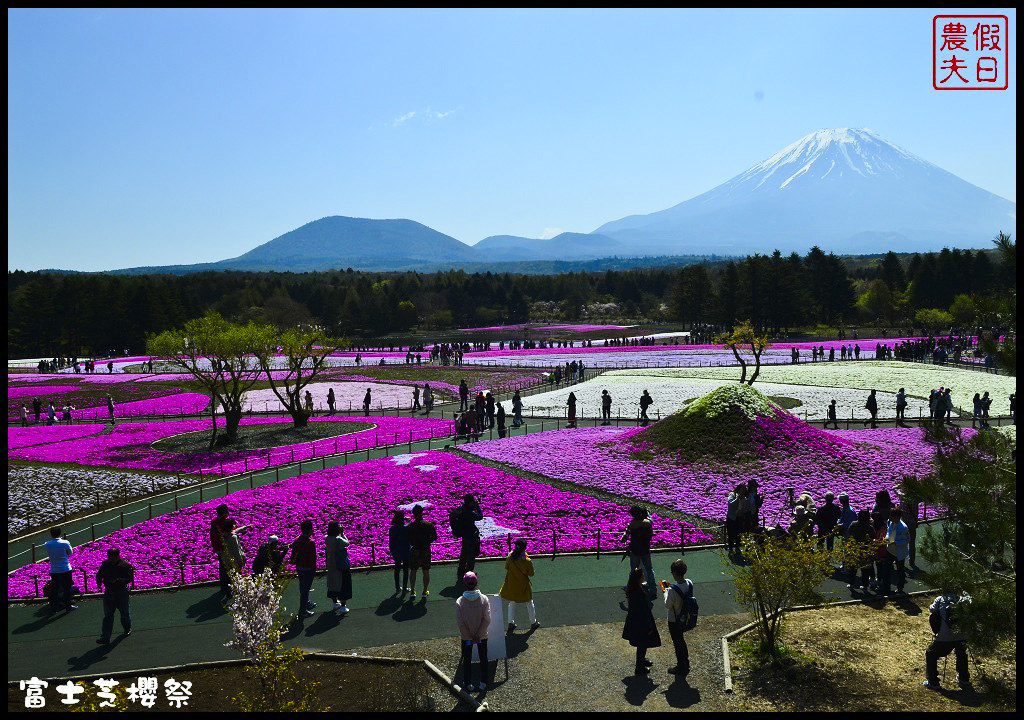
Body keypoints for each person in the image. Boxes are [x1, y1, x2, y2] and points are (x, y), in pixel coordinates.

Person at [923, 590, 972, 690]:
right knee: (961, 652)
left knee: (931, 653)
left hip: (944, 637)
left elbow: (932, 610)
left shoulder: (940, 599)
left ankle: (933, 681)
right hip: (962, 635)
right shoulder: (964, 599)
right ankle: (964, 678)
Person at [455, 571, 491, 692]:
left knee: (467, 658)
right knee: (483, 658)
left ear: (464, 584)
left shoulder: (460, 601)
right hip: (481, 637)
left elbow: (461, 624)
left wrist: (470, 636)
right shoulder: (484, 599)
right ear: (476, 583)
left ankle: (468, 682)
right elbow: (487, 619)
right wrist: (478, 635)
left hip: (467, 638)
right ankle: (484, 682)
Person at [622, 567, 661, 675]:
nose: (644, 576)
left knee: (642, 643)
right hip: (641, 621)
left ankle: (641, 661)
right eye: (642, 575)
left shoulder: (634, 588)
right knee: (642, 644)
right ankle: (639, 667)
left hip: (637, 620)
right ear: (639, 578)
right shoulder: (637, 592)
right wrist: (648, 624)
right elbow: (641, 610)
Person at [95, 548, 134, 644]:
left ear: (117, 556)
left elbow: (129, 578)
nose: (110, 560)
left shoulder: (125, 565)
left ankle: (127, 628)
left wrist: (118, 580)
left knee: (124, 613)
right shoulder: (105, 564)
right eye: (109, 557)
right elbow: (99, 574)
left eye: (112, 558)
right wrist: (99, 581)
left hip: (121, 592)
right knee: (108, 615)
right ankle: (105, 637)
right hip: (109, 592)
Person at [500, 539, 539, 633]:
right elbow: (531, 573)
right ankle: (533, 622)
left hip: (512, 583)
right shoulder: (527, 560)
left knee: (512, 603)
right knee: (529, 602)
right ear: (524, 548)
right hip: (523, 585)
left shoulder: (510, 557)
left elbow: (506, 567)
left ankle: (510, 623)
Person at [663, 558, 693, 677]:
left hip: (674, 620)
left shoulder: (672, 590)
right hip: (686, 617)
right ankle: (685, 662)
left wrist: (665, 591)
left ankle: (681, 666)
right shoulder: (689, 583)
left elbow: (667, 605)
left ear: (675, 573)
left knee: (678, 643)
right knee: (681, 641)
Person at [622, 506, 657, 600]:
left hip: (635, 550)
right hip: (645, 549)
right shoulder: (648, 522)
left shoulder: (632, 524)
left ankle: (632, 589)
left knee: (634, 570)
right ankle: (653, 590)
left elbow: (624, 538)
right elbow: (651, 533)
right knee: (649, 569)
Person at [407, 504, 438, 599]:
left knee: (413, 570)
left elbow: (407, 538)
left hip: (415, 550)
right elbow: (435, 537)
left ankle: (412, 590)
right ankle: (425, 591)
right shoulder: (428, 525)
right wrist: (428, 541)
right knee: (426, 571)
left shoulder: (411, 526)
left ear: (413, 514)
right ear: (422, 513)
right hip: (425, 550)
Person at [45, 527, 77, 612]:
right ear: (60, 533)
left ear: (51, 534)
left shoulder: (47, 544)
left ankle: (54, 607)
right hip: (65, 568)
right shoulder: (65, 543)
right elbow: (70, 553)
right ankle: (68, 607)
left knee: (55, 589)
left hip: (54, 570)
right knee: (67, 588)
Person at [290, 520, 318, 616]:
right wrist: (314, 569)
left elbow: (292, 547)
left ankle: (307, 603)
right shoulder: (311, 542)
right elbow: (313, 558)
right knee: (305, 590)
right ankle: (302, 611)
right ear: (310, 529)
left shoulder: (298, 539)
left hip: (299, 567)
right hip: (308, 569)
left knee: (302, 587)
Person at [879, 508, 909, 594]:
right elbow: (889, 532)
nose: (891, 518)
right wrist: (886, 539)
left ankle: (900, 588)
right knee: (886, 570)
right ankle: (886, 588)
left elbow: (907, 540)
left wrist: (896, 542)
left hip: (899, 552)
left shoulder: (903, 527)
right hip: (890, 550)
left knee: (900, 571)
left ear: (898, 517)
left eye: (893, 516)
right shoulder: (891, 522)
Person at [845, 510, 876, 591]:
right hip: (865, 550)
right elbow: (873, 537)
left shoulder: (853, 524)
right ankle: (865, 585)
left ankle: (851, 584)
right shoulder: (870, 527)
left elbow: (849, 533)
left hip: (854, 548)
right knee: (865, 569)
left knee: (853, 568)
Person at [325, 521, 352, 614]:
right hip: (340, 565)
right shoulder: (338, 539)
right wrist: (342, 533)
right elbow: (347, 543)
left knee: (333, 583)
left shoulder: (327, 538)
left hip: (331, 564)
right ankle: (343, 606)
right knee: (343, 584)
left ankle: (335, 602)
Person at [455, 495, 483, 584]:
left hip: (464, 535)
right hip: (471, 536)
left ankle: (460, 572)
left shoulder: (462, 508)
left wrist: (473, 506)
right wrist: (478, 507)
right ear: (470, 502)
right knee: (471, 556)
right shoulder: (469, 512)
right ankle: (469, 575)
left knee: (463, 554)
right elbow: (480, 517)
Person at [389, 510, 411, 594]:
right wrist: (408, 521)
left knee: (397, 569)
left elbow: (391, 541)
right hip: (405, 550)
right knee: (405, 570)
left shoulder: (392, 529)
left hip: (396, 550)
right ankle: (405, 588)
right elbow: (409, 527)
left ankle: (397, 587)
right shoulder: (406, 528)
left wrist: (391, 551)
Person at [725, 484, 748, 555]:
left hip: (739, 518)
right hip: (731, 517)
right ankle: (731, 547)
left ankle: (737, 547)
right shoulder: (732, 495)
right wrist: (737, 499)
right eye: (742, 489)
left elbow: (745, 508)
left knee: (738, 533)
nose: (743, 491)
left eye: (744, 490)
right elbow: (731, 504)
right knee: (731, 533)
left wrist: (742, 512)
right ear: (738, 489)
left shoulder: (744, 499)